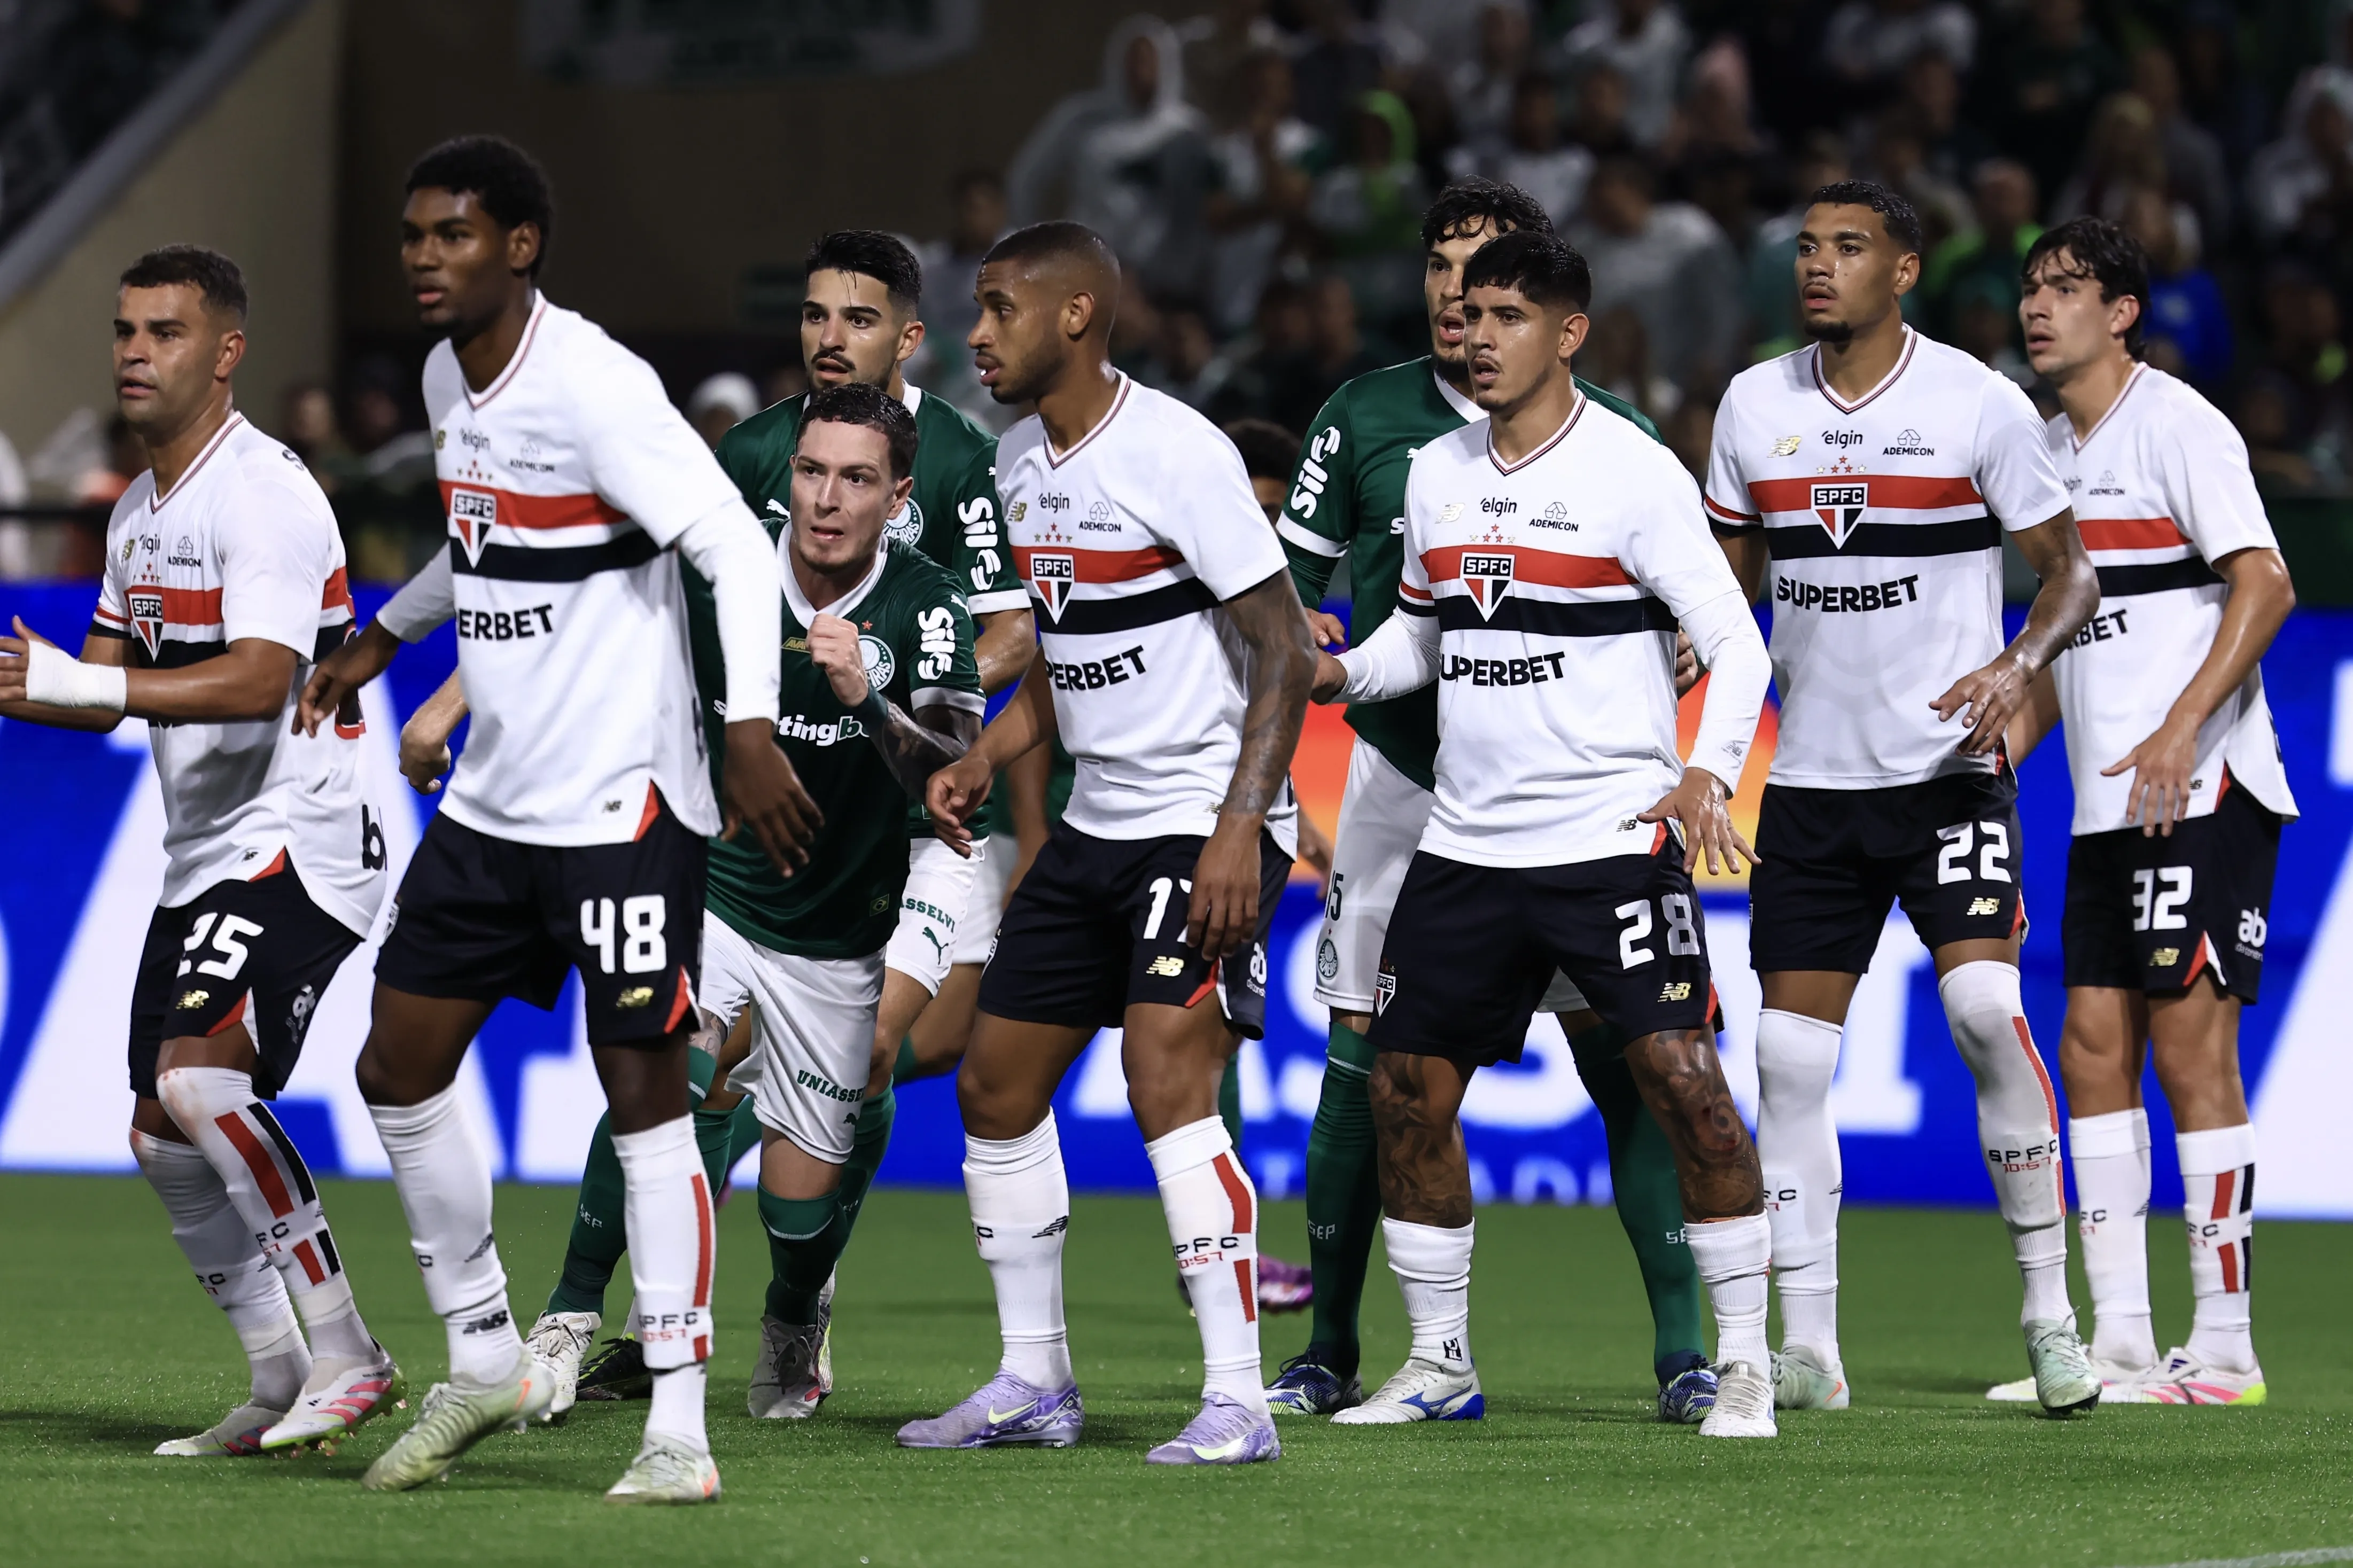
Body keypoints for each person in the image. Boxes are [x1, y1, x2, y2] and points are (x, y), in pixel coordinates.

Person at [399, 229, 1035, 1418]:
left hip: (897, 842)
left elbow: (1001, 652)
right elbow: (596, 588)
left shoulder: (951, 466)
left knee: (872, 1075)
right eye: (811, 316)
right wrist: (450, 693)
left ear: (906, 338)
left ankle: (797, 1298)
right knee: (666, 1055)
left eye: (854, 317)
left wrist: (883, 680)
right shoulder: (744, 463)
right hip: (735, 847)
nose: (826, 338)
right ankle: (582, 1314)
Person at [294, 135, 812, 1504]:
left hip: (621, 802)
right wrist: (379, 640)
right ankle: (484, 1352)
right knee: (395, 1066)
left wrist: (746, 729)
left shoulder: (593, 383)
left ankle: (680, 1432)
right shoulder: (440, 378)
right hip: (497, 801)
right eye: (412, 235)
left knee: (643, 1098)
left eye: (452, 234)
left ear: (520, 246)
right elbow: (487, 549)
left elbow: (730, 545)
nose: (423, 257)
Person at [1305, 228, 1780, 1439]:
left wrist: (1704, 774)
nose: (1473, 337)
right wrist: (1344, 676)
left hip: (1609, 838)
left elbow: (1733, 644)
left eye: (1505, 316)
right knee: (1409, 1095)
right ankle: (1439, 1364)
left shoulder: (1632, 474)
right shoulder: (1434, 474)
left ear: (1568, 334)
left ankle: (1740, 1366)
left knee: (1685, 1087)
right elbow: (1424, 633)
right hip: (1465, 844)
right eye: (1464, 316)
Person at [904, 221, 1315, 1465]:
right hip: (1094, 826)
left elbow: (1286, 645)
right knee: (992, 1083)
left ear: (1076, 314)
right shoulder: (1020, 461)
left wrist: (1241, 826)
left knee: (1162, 1079)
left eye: (996, 309)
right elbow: (1053, 644)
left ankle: (1239, 1400)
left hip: (1202, 822)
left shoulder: (1177, 452)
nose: (976, 334)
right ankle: (1034, 1382)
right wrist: (986, 749)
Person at [1702, 180, 2102, 1417]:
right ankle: (1809, 1345)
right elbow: (1721, 592)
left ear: (1905, 270)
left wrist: (2013, 665)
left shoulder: (1976, 404)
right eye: (1806, 247)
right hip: (1812, 789)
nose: (1817, 267)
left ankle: (2048, 1313)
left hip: (1945, 782)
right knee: (1783, 1059)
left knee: (1985, 1011)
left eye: (1848, 248)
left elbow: (2071, 579)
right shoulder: (1749, 406)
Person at [0, 245, 399, 1458]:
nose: (133, 350)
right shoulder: (135, 513)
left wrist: (78, 675)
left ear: (226, 354)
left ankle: (349, 1352)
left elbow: (262, 678)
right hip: (206, 847)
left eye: (164, 332)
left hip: (303, 835)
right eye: (124, 329)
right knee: (158, 1134)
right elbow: (117, 688)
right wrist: (33, 689)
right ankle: (278, 1374)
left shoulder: (263, 496)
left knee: (197, 1085)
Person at [1999, 217, 2297, 1407]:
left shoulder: (2176, 425)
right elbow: (2066, 640)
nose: (2038, 307)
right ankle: (2119, 1341)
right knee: (2089, 1043)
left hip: (2198, 783)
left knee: (2187, 1047)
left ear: (2120, 312)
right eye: (2029, 288)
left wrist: (2179, 727)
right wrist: (1998, 745)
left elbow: (2264, 582)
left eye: (2065, 288)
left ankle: (2222, 1347)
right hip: (2101, 802)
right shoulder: (2036, 448)